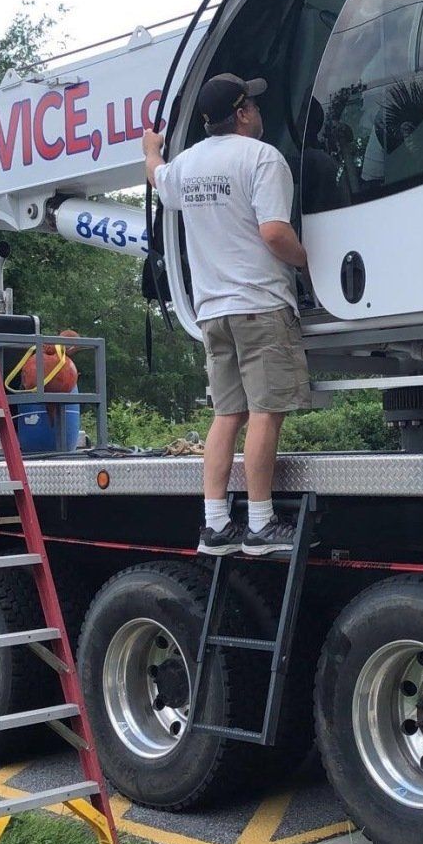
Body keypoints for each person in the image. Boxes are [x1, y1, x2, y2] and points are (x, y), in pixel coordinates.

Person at [142, 73, 310, 556]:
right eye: (252, 106)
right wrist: (308, 263)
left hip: (212, 312)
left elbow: (158, 176)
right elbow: (276, 233)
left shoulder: (187, 166)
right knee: (264, 413)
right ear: (241, 113)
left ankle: (216, 524)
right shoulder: (262, 158)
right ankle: (260, 523)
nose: (258, 112)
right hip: (259, 305)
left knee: (226, 415)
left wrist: (151, 149)